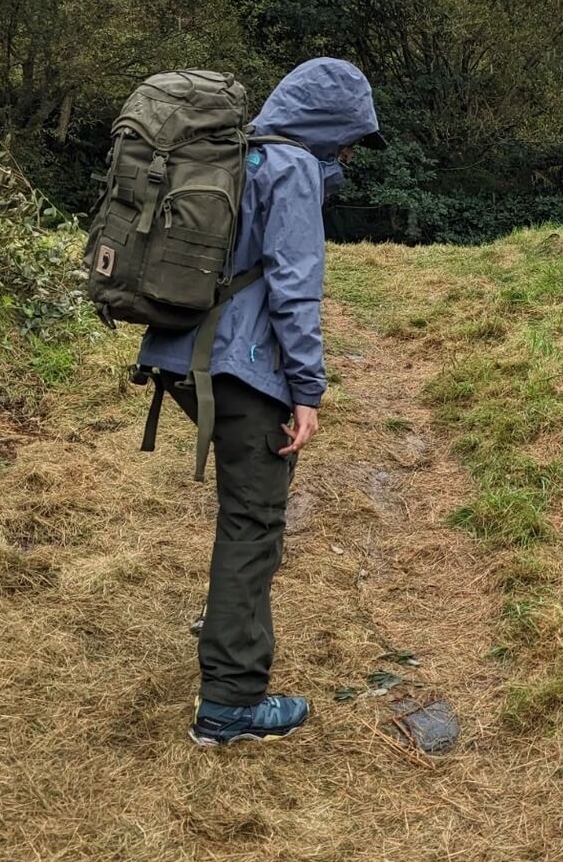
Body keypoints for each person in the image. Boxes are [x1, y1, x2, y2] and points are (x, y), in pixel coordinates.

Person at [138, 56, 384, 747]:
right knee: (254, 520)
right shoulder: (293, 169)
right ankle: (232, 704)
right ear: (326, 125)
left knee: (249, 504)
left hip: (183, 356)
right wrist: (308, 389)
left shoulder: (235, 155)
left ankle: (227, 616)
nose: (348, 152)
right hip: (243, 370)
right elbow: (294, 290)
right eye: (349, 138)